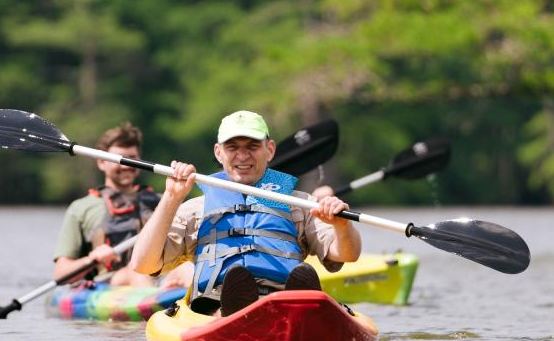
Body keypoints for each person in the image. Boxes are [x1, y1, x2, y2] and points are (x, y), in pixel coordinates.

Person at [130, 110, 361, 315]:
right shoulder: (195, 209)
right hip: (216, 304)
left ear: (269, 150)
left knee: (293, 290)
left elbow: (347, 254)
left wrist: (342, 226)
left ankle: (297, 303)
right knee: (228, 299)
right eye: (233, 147)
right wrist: (172, 197)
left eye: (252, 146)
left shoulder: (299, 203)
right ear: (219, 153)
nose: (242, 156)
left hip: (284, 299)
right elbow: (143, 264)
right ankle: (243, 310)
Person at [53, 123, 190, 289]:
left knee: (186, 267)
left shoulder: (166, 201)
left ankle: (205, 306)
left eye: (133, 158)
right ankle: (157, 299)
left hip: (161, 275)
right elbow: (61, 273)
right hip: (112, 283)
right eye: (119, 159)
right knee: (136, 272)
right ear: (101, 162)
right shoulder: (81, 208)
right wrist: (92, 259)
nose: (127, 165)